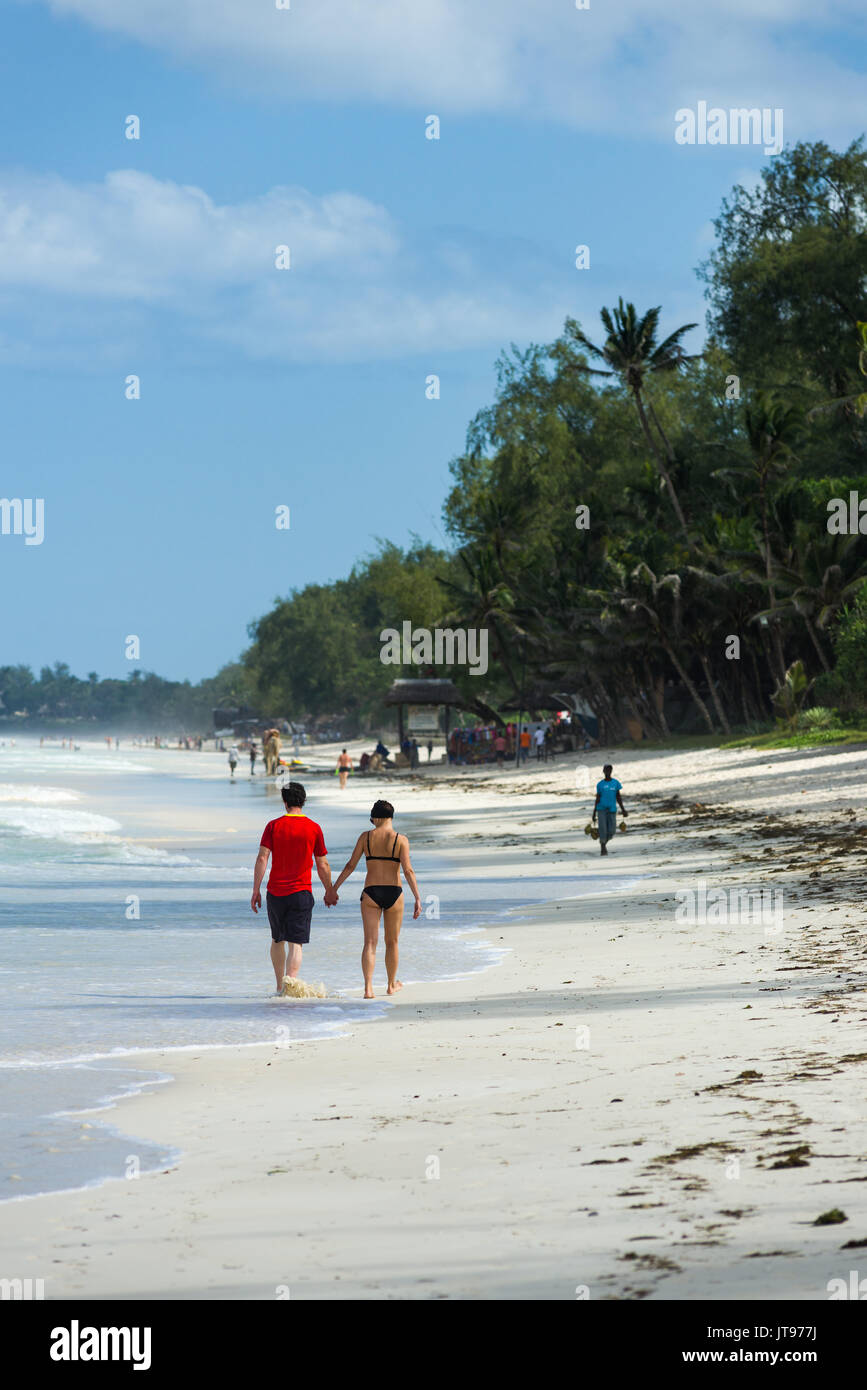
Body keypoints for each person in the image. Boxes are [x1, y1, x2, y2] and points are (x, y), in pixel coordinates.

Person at [329, 799, 421, 999]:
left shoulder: (365, 838)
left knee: (370, 943)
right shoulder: (401, 840)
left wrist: (333, 889)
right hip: (394, 893)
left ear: (377, 818)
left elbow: (350, 865)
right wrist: (417, 898)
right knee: (392, 942)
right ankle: (390, 985)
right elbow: (408, 870)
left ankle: (368, 988)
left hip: (371, 892)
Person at [251, 782, 335, 992]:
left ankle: (280, 986)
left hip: (276, 893)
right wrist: (329, 890)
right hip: (301, 893)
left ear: (285, 802)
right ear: (303, 801)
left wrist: (256, 890)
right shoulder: (313, 828)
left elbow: (262, 858)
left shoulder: (273, 826)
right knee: (295, 943)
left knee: (277, 939)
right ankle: (291, 983)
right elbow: (322, 863)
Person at [592, 763, 627, 856]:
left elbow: (618, 797)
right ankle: (603, 847)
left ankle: (603, 842)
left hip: (612, 809)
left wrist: (623, 809)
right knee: (603, 829)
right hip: (601, 809)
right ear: (603, 771)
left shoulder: (615, 783)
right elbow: (597, 798)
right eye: (606, 770)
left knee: (612, 831)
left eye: (609, 770)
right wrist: (594, 812)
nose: (607, 772)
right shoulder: (600, 784)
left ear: (611, 771)